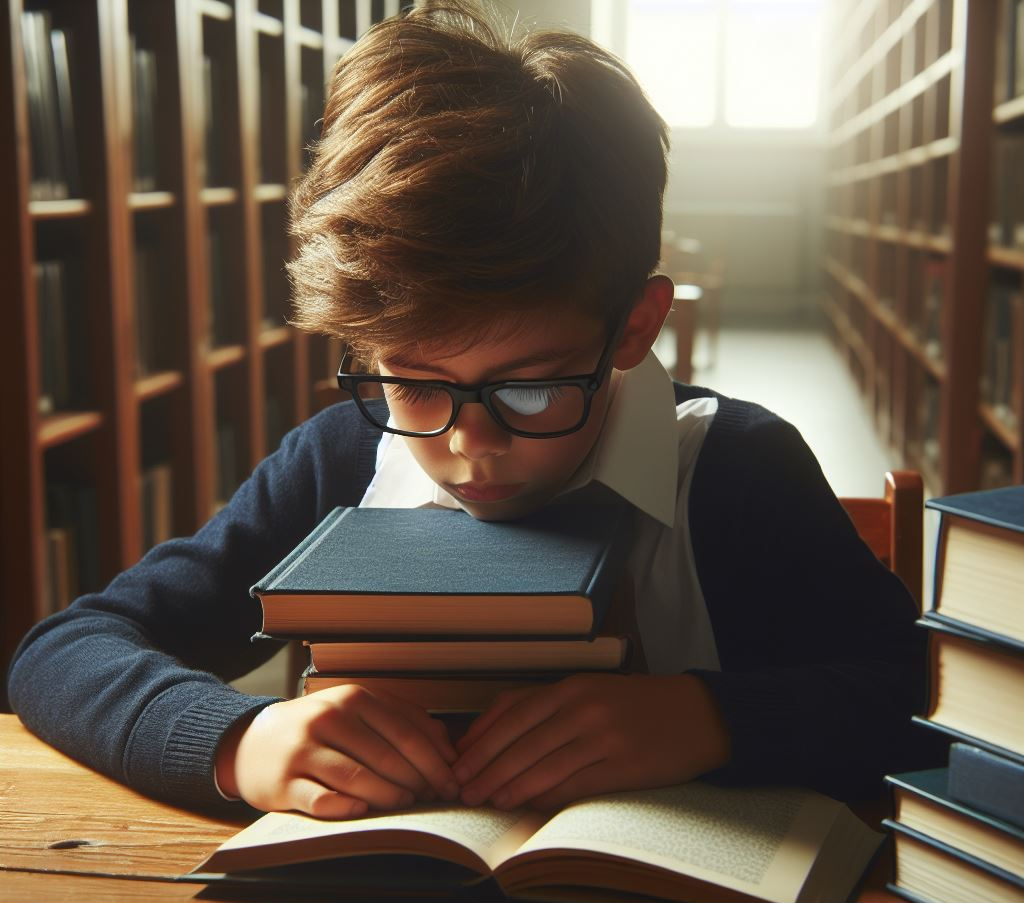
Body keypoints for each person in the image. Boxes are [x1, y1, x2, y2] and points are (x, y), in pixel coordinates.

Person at [6, 1, 939, 821]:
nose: (466, 446)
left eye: (529, 387)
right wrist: (236, 740)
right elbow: (65, 649)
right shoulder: (339, 461)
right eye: (413, 382)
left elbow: (917, 699)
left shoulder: (739, 468)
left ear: (634, 327)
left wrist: (710, 719)